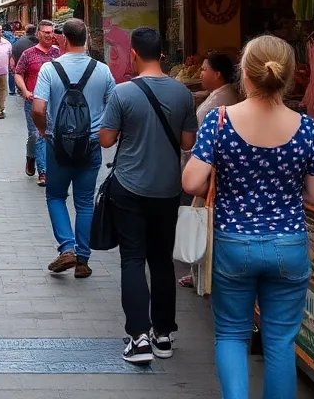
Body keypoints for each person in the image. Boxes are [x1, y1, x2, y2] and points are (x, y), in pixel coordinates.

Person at [183, 35, 314, 399]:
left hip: (234, 243)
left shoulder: (220, 122)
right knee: (281, 342)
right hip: (289, 245)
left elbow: (191, 181)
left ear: (245, 76)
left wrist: (227, 188)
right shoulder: (307, 128)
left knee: (232, 334)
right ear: (288, 77)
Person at [100, 27, 198, 364]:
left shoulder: (122, 93)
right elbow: (187, 144)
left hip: (128, 185)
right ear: (163, 54)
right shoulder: (183, 93)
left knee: (132, 259)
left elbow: (105, 140)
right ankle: (164, 335)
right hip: (168, 189)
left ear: (135, 55)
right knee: (162, 261)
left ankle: (138, 338)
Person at [31, 19, 115, 278]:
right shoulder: (102, 70)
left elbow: (38, 108)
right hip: (90, 146)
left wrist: (45, 131)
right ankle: (82, 260)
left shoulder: (49, 69)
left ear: (63, 40)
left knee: (56, 196)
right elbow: (113, 109)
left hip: (58, 145)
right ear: (86, 38)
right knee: (85, 203)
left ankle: (67, 247)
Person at [14, 21, 58, 186]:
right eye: (45, 32)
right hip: (33, 101)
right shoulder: (28, 54)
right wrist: (25, 91)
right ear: (38, 33)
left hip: (53, 102)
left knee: (47, 135)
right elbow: (18, 73)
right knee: (36, 134)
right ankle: (41, 169)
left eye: (50, 32)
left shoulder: (58, 54)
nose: (48, 35)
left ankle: (41, 166)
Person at [197, 53, 242, 124]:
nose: (200, 75)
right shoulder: (230, 91)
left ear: (217, 75)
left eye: (204, 69)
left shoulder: (209, 108)